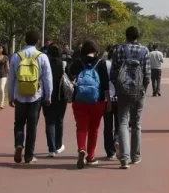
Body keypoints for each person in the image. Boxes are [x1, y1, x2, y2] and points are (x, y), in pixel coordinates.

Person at [8, 30, 53, 164]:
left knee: (19, 124)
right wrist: (48, 95)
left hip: (20, 95)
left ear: (25, 40)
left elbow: (11, 78)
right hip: (35, 95)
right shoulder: (42, 56)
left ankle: (18, 144)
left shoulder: (16, 56)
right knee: (32, 126)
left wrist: (11, 96)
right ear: (38, 41)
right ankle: (29, 156)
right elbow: (47, 78)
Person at [110, 26, 150, 169]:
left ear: (126, 36)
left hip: (123, 92)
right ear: (138, 36)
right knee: (136, 124)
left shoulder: (119, 50)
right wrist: (143, 90)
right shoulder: (144, 50)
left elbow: (113, 73)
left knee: (123, 123)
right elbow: (147, 74)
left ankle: (124, 158)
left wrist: (119, 87)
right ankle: (135, 156)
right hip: (139, 91)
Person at [67, 39, 110, 169]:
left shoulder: (78, 62)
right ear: (96, 50)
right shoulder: (101, 63)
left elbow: (70, 73)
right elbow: (105, 84)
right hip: (97, 100)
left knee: (81, 128)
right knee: (94, 129)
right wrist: (108, 101)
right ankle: (91, 156)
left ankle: (81, 148)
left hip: (79, 100)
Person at [43, 44, 68, 157]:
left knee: (49, 122)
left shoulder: (45, 63)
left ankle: (51, 148)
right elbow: (71, 77)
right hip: (61, 96)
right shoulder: (63, 64)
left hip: (47, 95)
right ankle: (58, 145)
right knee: (59, 120)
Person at [102, 44, 119, 159]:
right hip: (119, 99)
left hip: (107, 98)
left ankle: (109, 152)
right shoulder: (121, 65)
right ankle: (117, 140)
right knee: (120, 125)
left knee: (107, 126)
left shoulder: (104, 64)